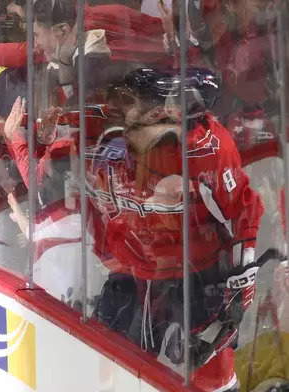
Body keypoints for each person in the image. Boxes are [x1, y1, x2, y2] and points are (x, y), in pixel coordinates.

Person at [89, 68, 264, 392]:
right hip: (135, 277)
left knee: (211, 379)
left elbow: (243, 208)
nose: (122, 110)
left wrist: (244, 272)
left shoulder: (209, 148)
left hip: (197, 279)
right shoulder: (108, 141)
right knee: (118, 375)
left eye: (133, 103)